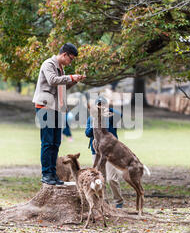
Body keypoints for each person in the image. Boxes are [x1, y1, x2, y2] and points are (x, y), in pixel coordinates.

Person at [33, 43, 85, 185]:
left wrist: (75, 81)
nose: (71, 62)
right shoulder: (48, 64)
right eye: (71, 59)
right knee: (48, 142)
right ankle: (46, 174)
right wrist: (71, 77)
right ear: (64, 54)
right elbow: (52, 81)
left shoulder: (61, 69)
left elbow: (62, 85)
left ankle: (53, 173)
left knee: (56, 142)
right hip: (45, 106)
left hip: (56, 108)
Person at [85, 96, 125, 208]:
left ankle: (119, 202)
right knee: (99, 179)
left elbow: (120, 115)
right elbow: (87, 133)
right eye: (98, 105)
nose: (100, 107)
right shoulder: (91, 118)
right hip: (96, 152)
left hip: (111, 152)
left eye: (102, 105)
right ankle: (104, 202)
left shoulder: (111, 118)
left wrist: (109, 109)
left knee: (111, 178)